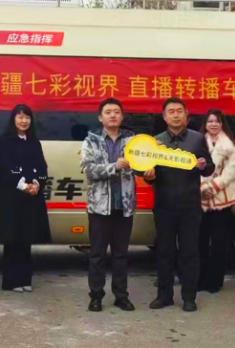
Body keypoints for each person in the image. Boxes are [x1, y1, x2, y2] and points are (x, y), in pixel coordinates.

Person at [145, 97, 214, 312]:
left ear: (186, 115)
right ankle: (164, 296)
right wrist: (148, 175)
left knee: (189, 252)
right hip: (164, 205)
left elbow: (209, 167)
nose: (175, 115)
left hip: (189, 206)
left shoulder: (197, 139)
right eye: (171, 112)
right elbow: (143, 169)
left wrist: (203, 166)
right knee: (164, 252)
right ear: (164, 117)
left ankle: (189, 297)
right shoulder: (155, 142)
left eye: (179, 111)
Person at [81, 98, 137, 312]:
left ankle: (121, 296)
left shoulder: (132, 140)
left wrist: (150, 167)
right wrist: (114, 166)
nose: (113, 115)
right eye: (108, 112)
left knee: (121, 255)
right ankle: (96, 296)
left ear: (122, 116)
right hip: (99, 207)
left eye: (116, 112)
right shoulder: (91, 140)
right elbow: (88, 170)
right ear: (100, 117)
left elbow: (140, 167)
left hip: (124, 206)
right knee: (97, 255)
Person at [0, 105, 52, 292]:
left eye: (27, 117)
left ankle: (25, 279)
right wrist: (23, 185)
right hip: (12, 198)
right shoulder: (4, 142)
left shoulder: (34, 142)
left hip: (30, 198)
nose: (24, 121)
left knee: (27, 239)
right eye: (20, 117)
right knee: (12, 240)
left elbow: (42, 168)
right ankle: (11, 281)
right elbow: (3, 167)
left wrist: (37, 184)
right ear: (13, 119)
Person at [199, 109, 235, 294]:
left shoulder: (232, 144)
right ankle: (200, 279)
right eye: (210, 121)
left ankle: (215, 282)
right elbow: (190, 166)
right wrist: (202, 187)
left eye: (217, 121)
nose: (214, 124)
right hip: (199, 199)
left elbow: (231, 171)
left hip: (223, 198)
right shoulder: (197, 141)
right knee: (199, 243)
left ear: (222, 124)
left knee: (219, 244)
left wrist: (213, 186)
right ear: (205, 124)